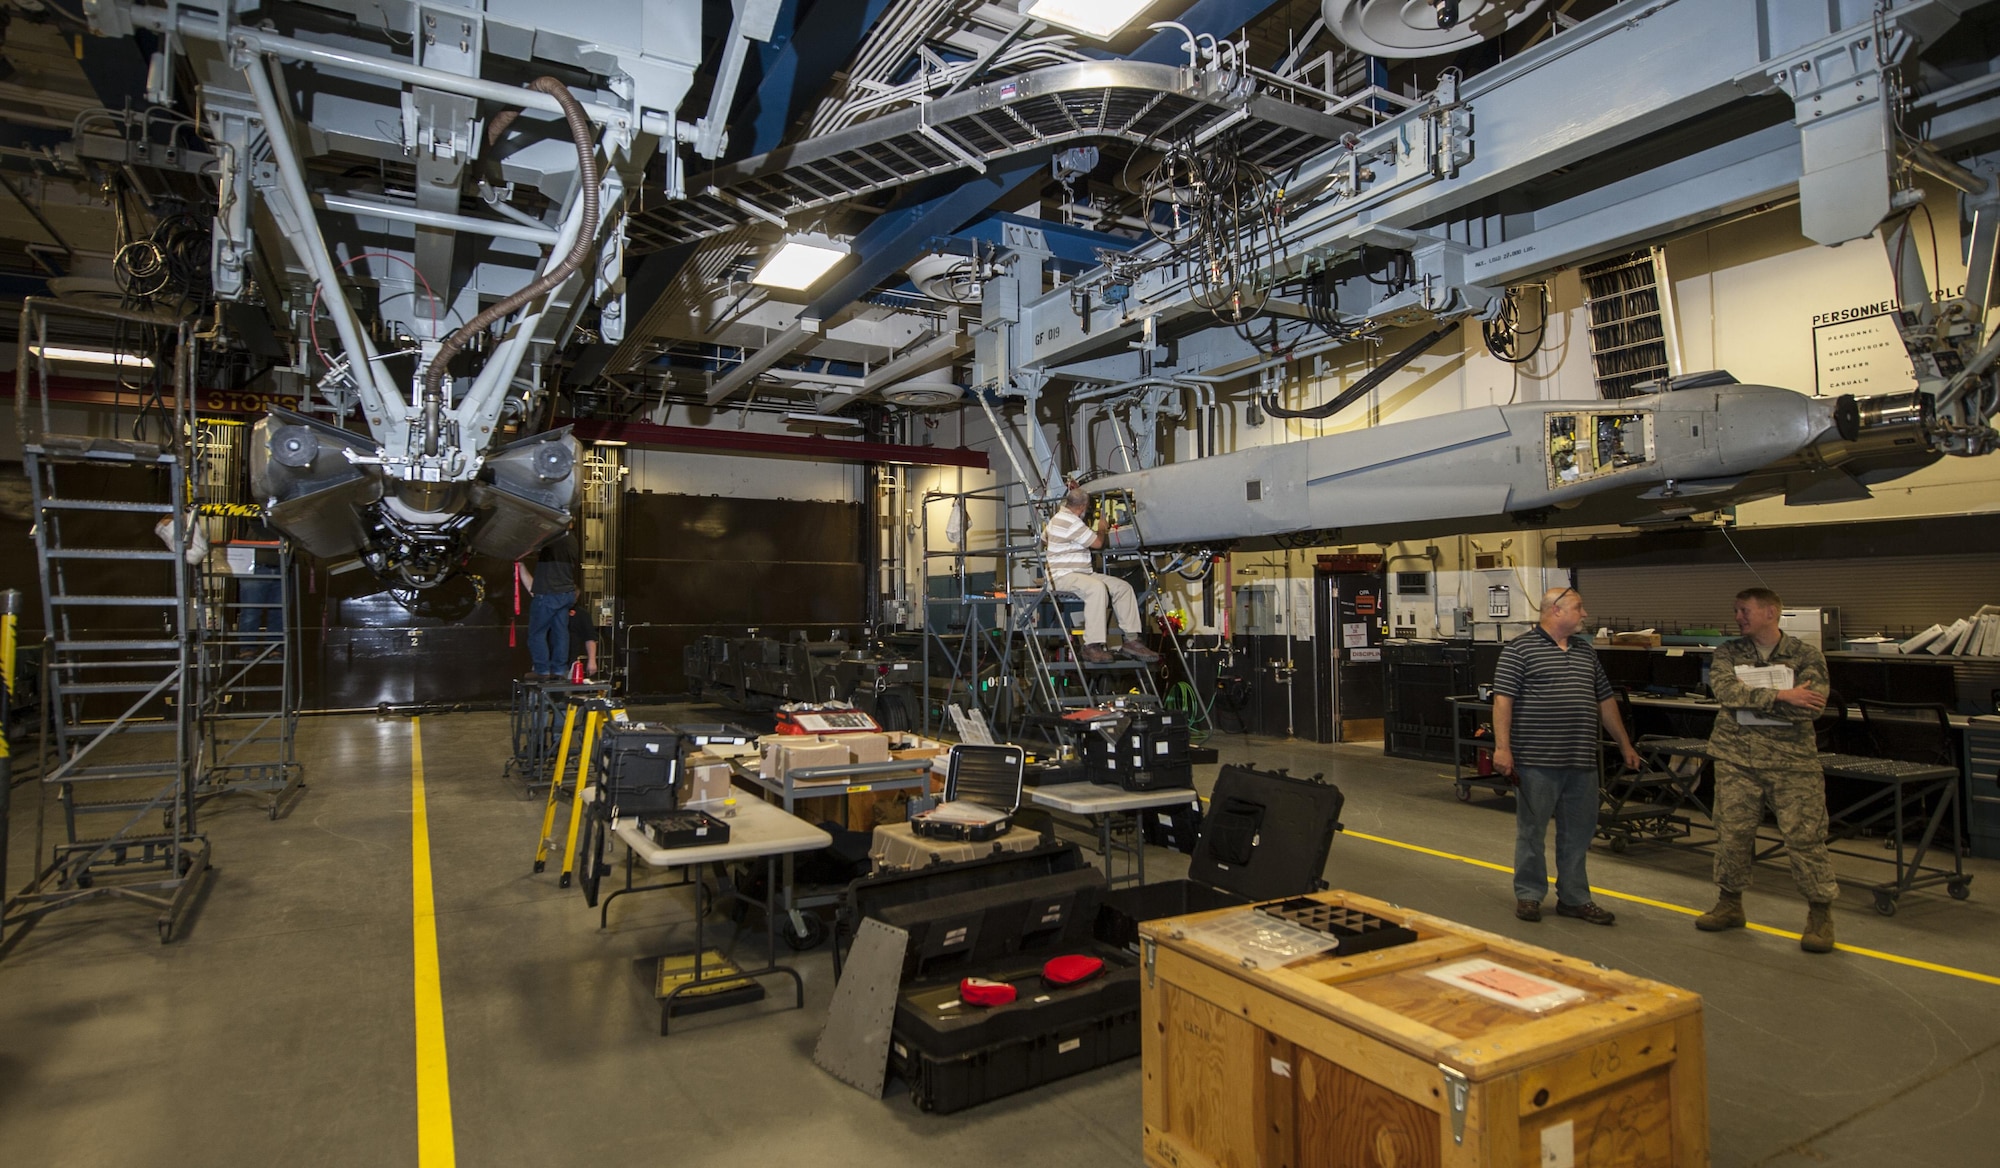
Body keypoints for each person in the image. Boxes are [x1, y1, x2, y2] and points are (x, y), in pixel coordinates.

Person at [1697, 587, 1838, 953]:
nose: (1738, 617)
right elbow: (1726, 693)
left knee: (1805, 838)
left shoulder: (1806, 655)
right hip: (1736, 760)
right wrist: (1781, 695)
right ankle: (1730, 904)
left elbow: (1811, 708)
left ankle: (1820, 915)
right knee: (1732, 833)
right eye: (1737, 610)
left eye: (1744, 610)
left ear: (1770, 612)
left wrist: (1755, 699)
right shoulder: (1728, 652)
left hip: (1792, 763)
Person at [1492, 585, 1640, 927]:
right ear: (1556, 610)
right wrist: (1502, 748)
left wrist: (1624, 744)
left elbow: (1605, 701)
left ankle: (1574, 898)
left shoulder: (1586, 653)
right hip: (1536, 761)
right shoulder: (1519, 651)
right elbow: (1503, 701)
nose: (1585, 614)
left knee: (1579, 833)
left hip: (1581, 761)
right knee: (1532, 831)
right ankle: (1529, 895)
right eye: (1579, 607)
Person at [1042, 487, 1158, 665]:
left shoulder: (1056, 520)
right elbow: (1097, 543)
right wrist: (1101, 528)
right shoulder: (1069, 520)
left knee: (1123, 587)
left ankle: (1131, 639)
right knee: (1096, 588)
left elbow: (1044, 539)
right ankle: (1092, 646)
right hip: (1063, 576)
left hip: (1082, 573)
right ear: (1083, 506)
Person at [517, 525, 580, 681]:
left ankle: (542, 669)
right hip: (566, 593)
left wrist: (517, 554)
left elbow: (530, 546)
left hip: (548, 594)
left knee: (537, 633)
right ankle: (559, 670)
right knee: (561, 633)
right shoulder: (572, 540)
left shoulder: (553, 538)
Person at [566, 595, 601, 681]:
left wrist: (592, 660)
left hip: (570, 658)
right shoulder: (552, 611)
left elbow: (590, 637)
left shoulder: (581, 614)